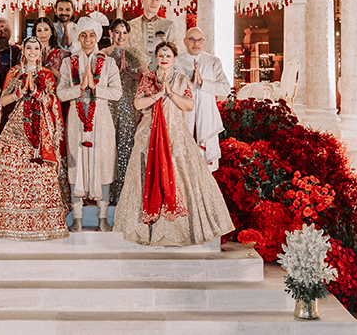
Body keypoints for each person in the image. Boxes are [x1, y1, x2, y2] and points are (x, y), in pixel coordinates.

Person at [113, 41, 234, 247]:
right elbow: (138, 104)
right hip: (149, 136)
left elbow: (189, 105)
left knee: (179, 176)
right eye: (161, 55)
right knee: (146, 176)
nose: (164, 58)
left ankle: (178, 229)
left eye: (168, 55)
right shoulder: (147, 79)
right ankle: (147, 229)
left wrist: (171, 94)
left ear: (174, 59)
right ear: (156, 58)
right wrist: (158, 95)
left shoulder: (181, 79)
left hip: (176, 135)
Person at [0, 36, 69, 240]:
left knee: (41, 173)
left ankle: (41, 223)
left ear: (40, 51)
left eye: (37, 48)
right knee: (6, 168)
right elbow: (3, 101)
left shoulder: (46, 75)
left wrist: (36, 93)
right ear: (23, 51)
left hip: (41, 130)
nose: (33, 51)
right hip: (17, 127)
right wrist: (19, 93)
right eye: (29, 48)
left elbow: (53, 102)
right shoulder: (14, 72)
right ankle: (4, 220)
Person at [56, 16, 122, 231]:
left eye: (92, 35)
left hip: (101, 120)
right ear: (78, 36)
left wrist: (94, 88)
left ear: (97, 38)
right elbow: (61, 93)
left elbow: (117, 93)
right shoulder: (68, 62)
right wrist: (79, 89)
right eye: (83, 34)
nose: (87, 39)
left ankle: (103, 219)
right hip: (77, 118)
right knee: (76, 164)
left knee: (103, 163)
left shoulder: (108, 62)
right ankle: (77, 219)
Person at [174, 28, 230, 171]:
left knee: (205, 166)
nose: (196, 43)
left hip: (206, 116)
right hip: (183, 116)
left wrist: (202, 83)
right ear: (185, 41)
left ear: (204, 42)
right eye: (192, 39)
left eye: (200, 40)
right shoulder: (176, 61)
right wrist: (188, 83)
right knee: (183, 166)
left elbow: (225, 89)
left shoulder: (213, 61)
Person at [102, 17, 143, 199]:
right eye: (117, 32)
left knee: (126, 145)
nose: (121, 36)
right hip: (108, 103)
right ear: (111, 33)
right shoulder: (103, 54)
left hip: (127, 102)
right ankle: (106, 192)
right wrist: (113, 72)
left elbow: (146, 77)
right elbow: (96, 79)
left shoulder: (133, 53)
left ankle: (124, 194)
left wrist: (127, 72)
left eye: (124, 32)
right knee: (108, 144)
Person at [127, 0, 178, 70]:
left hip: (160, 73)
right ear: (142, 1)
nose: (154, 2)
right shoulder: (131, 25)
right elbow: (126, 52)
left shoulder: (168, 25)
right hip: (136, 74)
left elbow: (173, 53)